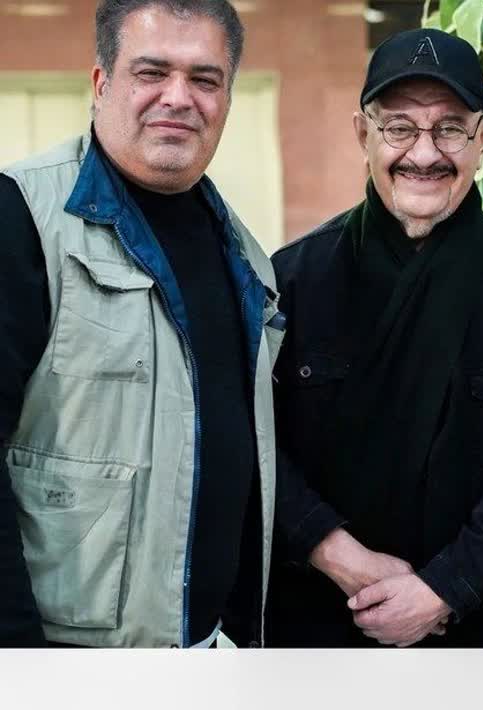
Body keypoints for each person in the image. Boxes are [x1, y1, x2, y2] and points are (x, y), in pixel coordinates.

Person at [267, 28, 483, 647]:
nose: (423, 154)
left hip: (474, 631)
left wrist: (446, 587)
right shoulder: (294, 278)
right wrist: (340, 556)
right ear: (363, 134)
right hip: (317, 628)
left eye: (450, 128)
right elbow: (256, 443)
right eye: (399, 127)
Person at [0, 0, 282, 648]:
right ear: (102, 83)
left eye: (205, 79)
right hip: (70, 662)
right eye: (152, 72)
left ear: (227, 98)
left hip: (213, 648)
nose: (178, 98)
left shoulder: (244, 254)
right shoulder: (23, 216)